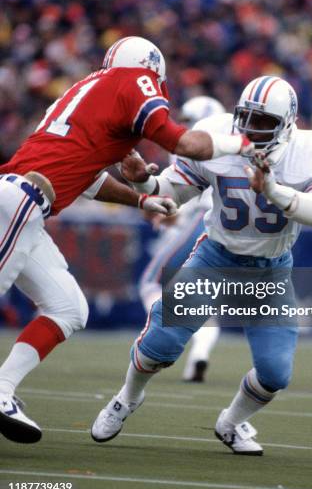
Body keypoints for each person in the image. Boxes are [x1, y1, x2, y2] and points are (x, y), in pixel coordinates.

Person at [0, 36, 254, 444]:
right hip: (18, 201)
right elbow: (186, 144)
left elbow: (87, 178)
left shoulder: (86, 92)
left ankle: (3, 390)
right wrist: (242, 144)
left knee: (68, 308)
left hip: (26, 205)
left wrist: (142, 199)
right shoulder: (133, 80)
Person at [91, 74, 312, 455]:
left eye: (263, 122)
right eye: (246, 116)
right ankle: (127, 397)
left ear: (288, 123)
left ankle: (231, 423)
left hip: (270, 269)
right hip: (217, 256)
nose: (250, 128)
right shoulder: (216, 136)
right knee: (159, 344)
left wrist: (275, 191)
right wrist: (145, 185)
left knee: (275, 373)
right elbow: (175, 192)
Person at [139, 96, 225, 382]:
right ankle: (200, 355)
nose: (184, 126)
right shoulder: (235, 148)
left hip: (199, 222)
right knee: (201, 302)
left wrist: (160, 210)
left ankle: (163, 334)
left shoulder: (192, 150)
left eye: (188, 120)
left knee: (150, 282)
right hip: (227, 232)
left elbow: (181, 203)